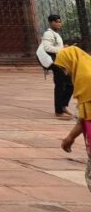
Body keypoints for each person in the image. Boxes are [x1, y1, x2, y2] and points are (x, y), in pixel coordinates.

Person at [57, 46, 91, 192]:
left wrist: (69, 137)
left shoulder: (86, 80)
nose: (66, 72)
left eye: (64, 67)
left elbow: (86, 117)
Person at [39, 13, 73, 119]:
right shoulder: (48, 34)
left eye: (60, 21)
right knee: (60, 86)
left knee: (70, 83)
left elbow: (56, 47)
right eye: (57, 22)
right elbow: (47, 48)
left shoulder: (56, 34)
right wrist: (63, 49)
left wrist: (64, 48)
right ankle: (58, 111)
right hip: (55, 63)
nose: (59, 23)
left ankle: (63, 106)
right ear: (51, 23)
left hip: (60, 62)